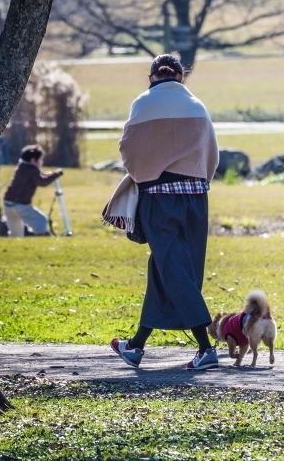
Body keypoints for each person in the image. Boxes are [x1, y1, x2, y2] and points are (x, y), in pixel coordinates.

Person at [103, 54, 220, 370]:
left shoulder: (143, 103)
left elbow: (129, 149)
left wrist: (144, 173)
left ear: (152, 76)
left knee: (172, 267)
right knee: (171, 267)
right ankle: (136, 346)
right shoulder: (197, 105)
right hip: (197, 198)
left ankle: (207, 349)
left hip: (160, 198)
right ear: (181, 76)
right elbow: (212, 152)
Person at [3, 145, 63, 237]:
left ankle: (14, 246)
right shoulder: (32, 169)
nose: (42, 162)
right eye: (40, 160)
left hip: (8, 203)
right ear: (33, 160)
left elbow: (36, 177)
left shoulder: (21, 167)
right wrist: (56, 174)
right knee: (41, 220)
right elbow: (41, 181)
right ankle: (41, 238)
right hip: (20, 204)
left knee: (15, 232)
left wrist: (48, 174)